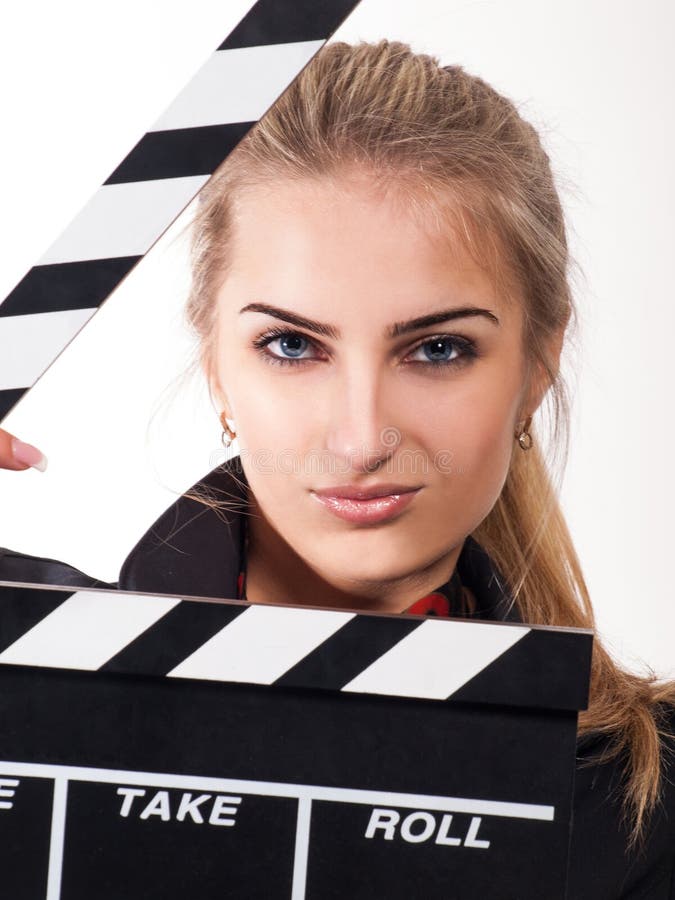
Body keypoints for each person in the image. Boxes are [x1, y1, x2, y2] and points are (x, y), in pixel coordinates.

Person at [1, 39, 674, 897]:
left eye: (438, 348)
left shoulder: (648, 805)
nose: (361, 440)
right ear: (215, 363)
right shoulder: (23, 672)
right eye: (290, 345)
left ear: (538, 363)